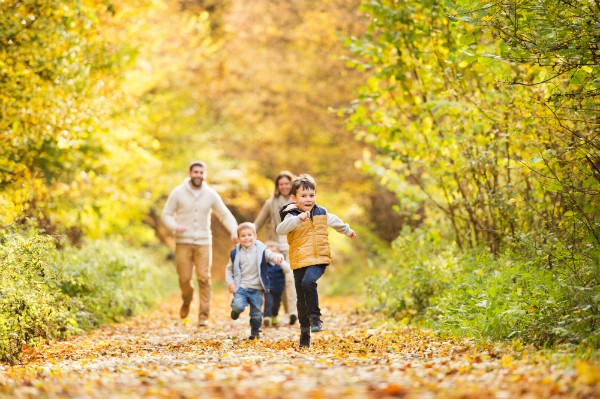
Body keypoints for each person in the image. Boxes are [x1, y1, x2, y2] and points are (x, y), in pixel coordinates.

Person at [276, 174, 357, 348]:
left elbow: (335, 221)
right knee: (300, 299)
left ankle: (316, 318)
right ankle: (305, 331)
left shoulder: (321, 212)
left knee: (308, 281)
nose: (308, 199)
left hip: (319, 258)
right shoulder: (291, 215)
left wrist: (347, 230)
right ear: (294, 198)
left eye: (311, 195)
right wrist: (298, 219)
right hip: (300, 260)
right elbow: (280, 230)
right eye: (303, 196)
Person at [162, 161, 238, 327]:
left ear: (205, 175)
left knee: (204, 278)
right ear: (190, 174)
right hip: (183, 242)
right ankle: (187, 300)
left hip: (204, 242)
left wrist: (234, 231)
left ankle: (203, 316)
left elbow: (224, 214)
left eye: (201, 172)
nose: (198, 175)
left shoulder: (210, 194)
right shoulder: (178, 193)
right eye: (195, 172)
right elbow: (166, 214)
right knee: (184, 278)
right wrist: (175, 227)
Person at [226, 222, 284, 339]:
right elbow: (229, 269)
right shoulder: (235, 253)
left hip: (256, 288)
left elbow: (271, 255)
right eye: (243, 236)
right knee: (238, 306)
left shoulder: (261, 250)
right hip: (241, 287)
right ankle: (236, 311)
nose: (247, 238)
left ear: (255, 236)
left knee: (256, 313)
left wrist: (278, 257)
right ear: (238, 238)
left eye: (249, 235)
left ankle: (255, 332)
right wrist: (231, 283)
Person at [254, 171, 298, 325]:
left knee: (291, 278)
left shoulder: (298, 201)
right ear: (277, 186)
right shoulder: (271, 203)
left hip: (293, 245)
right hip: (275, 247)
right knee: (277, 281)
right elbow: (258, 223)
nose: (284, 186)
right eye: (281, 184)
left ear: (291, 184)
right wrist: (246, 235)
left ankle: (292, 312)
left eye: (287, 183)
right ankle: (280, 312)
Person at [262, 241, 291, 327]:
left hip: (279, 288)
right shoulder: (265, 264)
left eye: (274, 252)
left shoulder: (281, 264)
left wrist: (280, 262)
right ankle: (266, 317)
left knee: (277, 304)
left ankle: (274, 316)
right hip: (268, 289)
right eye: (270, 253)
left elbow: (288, 269)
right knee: (269, 303)